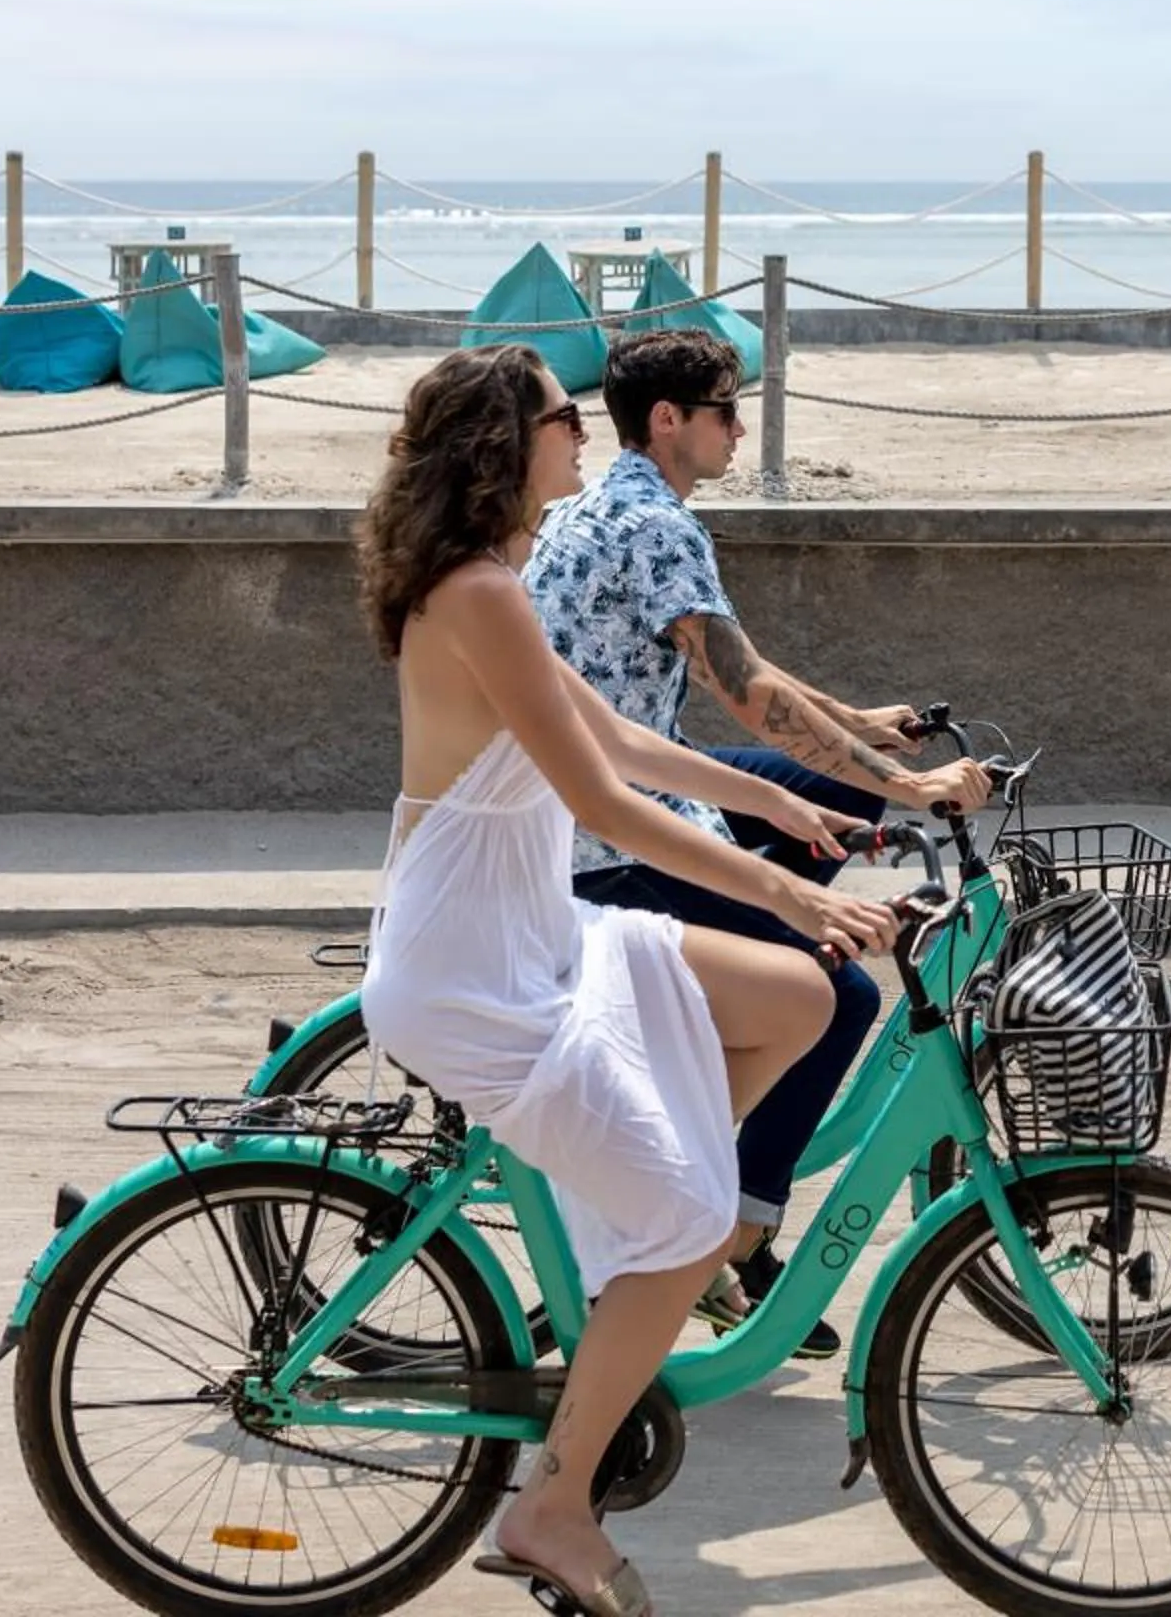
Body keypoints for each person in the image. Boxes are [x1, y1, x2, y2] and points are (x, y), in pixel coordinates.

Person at [354, 343, 898, 1617]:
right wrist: (785, 885)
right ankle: (550, 1503)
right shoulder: (480, 594)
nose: (581, 434)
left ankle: (638, 1259)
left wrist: (781, 802)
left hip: (534, 932)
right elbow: (598, 795)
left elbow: (623, 735)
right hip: (480, 970)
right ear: (507, 444)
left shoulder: (499, 583)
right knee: (691, 1214)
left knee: (805, 997)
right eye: (560, 418)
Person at [526, 327, 991, 1356]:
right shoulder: (657, 526)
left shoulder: (600, 507)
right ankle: (734, 1232)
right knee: (845, 993)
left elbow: (746, 665)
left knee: (836, 808)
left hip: (620, 787)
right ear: (668, 420)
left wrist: (860, 733)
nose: (741, 426)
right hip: (612, 839)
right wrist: (910, 782)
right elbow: (746, 694)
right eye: (726, 407)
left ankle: (764, 993)